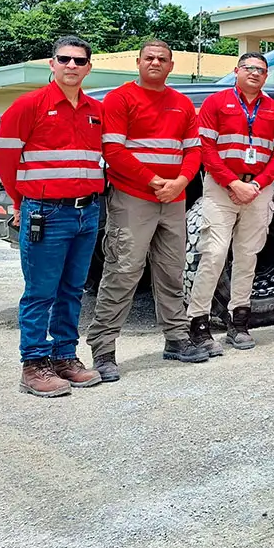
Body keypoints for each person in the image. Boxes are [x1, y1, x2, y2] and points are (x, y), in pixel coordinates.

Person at [87, 39, 209, 381]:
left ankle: (177, 339)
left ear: (171, 66)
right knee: (123, 271)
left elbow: (194, 151)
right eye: (149, 58)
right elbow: (113, 151)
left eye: (162, 59)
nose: (155, 63)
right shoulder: (120, 98)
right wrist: (154, 180)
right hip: (133, 197)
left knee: (172, 271)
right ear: (138, 62)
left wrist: (180, 182)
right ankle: (103, 348)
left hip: (173, 199)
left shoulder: (182, 104)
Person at [0, 36, 106, 397]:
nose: (72, 65)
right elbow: (5, 159)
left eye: (79, 61)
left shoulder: (95, 110)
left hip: (87, 212)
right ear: (52, 63)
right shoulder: (29, 106)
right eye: (65, 59)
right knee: (41, 292)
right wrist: (21, 201)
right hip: (46, 212)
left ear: (88, 68)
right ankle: (33, 366)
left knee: (72, 290)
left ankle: (64, 357)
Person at [188, 52, 274, 353]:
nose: (255, 73)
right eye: (249, 68)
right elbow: (205, 147)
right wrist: (232, 183)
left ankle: (239, 322)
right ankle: (198, 322)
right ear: (236, 71)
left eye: (261, 70)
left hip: (259, 188)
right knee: (214, 253)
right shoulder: (216, 103)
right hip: (222, 187)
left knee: (248, 255)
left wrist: (257, 184)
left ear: (266, 76)